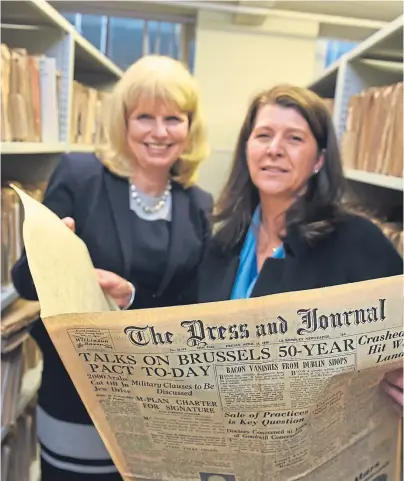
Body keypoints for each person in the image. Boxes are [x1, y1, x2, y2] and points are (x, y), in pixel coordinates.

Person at [11, 55, 213, 481]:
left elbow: (193, 304)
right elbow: (24, 283)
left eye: (174, 118)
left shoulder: (199, 204)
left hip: (159, 404)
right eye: (145, 116)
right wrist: (51, 256)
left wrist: (134, 298)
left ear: (190, 127)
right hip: (77, 395)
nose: (159, 132)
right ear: (123, 121)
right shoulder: (81, 175)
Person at [196, 84, 403, 410]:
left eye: (294, 138)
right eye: (263, 135)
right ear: (247, 148)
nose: (274, 149)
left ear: (319, 159)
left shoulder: (357, 240)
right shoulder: (222, 243)